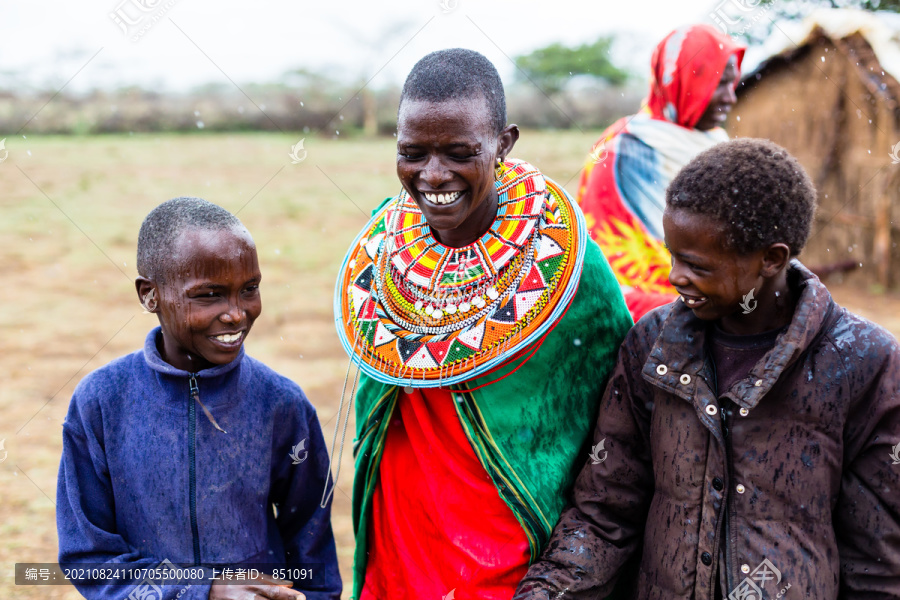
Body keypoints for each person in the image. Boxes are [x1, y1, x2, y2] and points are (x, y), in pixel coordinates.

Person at [514, 139, 900, 599]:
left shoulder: (863, 362)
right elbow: (605, 512)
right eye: (672, 255)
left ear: (771, 259)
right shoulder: (651, 347)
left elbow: (878, 558)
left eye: (695, 265)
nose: (674, 277)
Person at [333, 49, 633, 600]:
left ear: (504, 142)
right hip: (399, 543)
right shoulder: (384, 251)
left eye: (459, 153)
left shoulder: (568, 265)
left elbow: (620, 425)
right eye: (412, 153)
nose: (433, 175)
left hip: (515, 557)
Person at [57, 197, 342, 600]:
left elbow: (312, 552)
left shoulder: (281, 404)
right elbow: (89, 559)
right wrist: (202, 591)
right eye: (209, 295)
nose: (236, 314)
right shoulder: (102, 403)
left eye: (249, 289)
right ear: (149, 295)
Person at [577, 24, 745, 322]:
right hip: (637, 311)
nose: (731, 98)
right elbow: (606, 265)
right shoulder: (621, 151)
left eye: (733, 85)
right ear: (685, 82)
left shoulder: (718, 145)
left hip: (715, 301)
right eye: (720, 83)